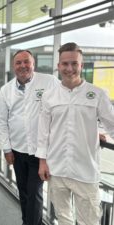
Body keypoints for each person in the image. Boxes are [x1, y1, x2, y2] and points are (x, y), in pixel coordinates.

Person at [36, 42, 114, 225]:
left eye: (74, 63)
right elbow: (43, 132)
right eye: (65, 64)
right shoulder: (49, 96)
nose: (69, 68)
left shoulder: (97, 94)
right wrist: (42, 162)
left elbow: (112, 124)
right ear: (58, 66)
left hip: (85, 171)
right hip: (57, 169)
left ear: (81, 65)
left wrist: (95, 133)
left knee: (90, 221)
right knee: (63, 218)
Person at [0, 50, 59, 225]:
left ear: (33, 64)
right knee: (23, 191)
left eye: (26, 62)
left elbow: (64, 109)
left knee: (34, 193)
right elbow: (2, 122)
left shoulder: (49, 82)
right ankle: (28, 222)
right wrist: (6, 149)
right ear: (13, 66)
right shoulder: (5, 90)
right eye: (18, 62)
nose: (23, 65)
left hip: (41, 152)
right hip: (17, 151)